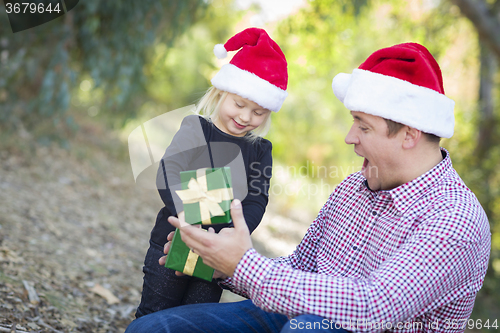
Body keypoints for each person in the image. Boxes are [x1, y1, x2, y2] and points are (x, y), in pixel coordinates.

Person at [127, 43, 491, 333]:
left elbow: (374, 307)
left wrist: (243, 266)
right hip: (293, 316)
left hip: (344, 327)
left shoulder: (455, 219)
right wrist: (219, 261)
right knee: (154, 328)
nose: (350, 139)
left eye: (363, 127)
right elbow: (301, 267)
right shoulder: (354, 189)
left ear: (410, 135)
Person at [134, 27, 288, 318]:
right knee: (155, 313)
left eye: (258, 112)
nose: (245, 117)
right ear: (220, 93)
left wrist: (228, 231)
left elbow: (256, 199)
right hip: (175, 241)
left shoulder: (260, 149)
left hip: (217, 253)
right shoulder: (197, 128)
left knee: (195, 319)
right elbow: (169, 173)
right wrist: (195, 221)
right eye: (239, 104)